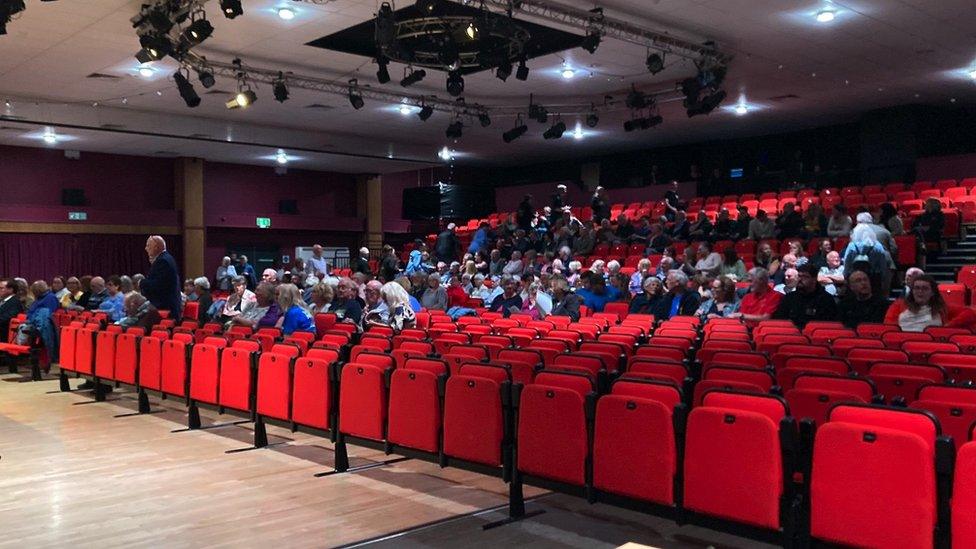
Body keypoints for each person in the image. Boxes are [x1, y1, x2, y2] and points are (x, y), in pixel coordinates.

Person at [884, 275, 976, 332]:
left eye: (925, 288)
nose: (920, 291)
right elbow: (889, 327)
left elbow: (970, 313)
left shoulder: (942, 308)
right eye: (916, 288)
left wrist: (947, 328)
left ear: (932, 292)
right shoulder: (898, 305)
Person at [772, 263, 839, 328]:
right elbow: (779, 320)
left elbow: (828, 325)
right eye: (799, 276)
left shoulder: (826, 300)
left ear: (814, 279)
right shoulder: (789, 298)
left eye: (805, 277)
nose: (800, 279)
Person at [842, 223, 891, 296]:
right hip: (873, 279)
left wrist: (846, 277)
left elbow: (847, 264)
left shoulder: (852, 246)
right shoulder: (878, 246)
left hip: (855, 278)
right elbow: (883, 266)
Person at [142, 235, 182, 321]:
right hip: (166, 305)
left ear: (156, 247)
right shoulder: (165, 258)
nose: (146, 248)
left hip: (165, 308)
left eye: (148, 245)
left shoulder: (162, 261)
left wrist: (141, 283)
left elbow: (158, 285)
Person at [0, 278, 24, 343]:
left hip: (5, 336)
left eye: (1, 288)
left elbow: (7, 318)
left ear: (11, 289)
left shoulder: (15, 303)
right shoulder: (2, 301)